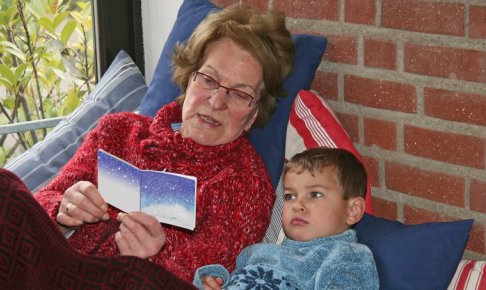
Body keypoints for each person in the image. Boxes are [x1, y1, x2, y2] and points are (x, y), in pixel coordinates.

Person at [33, 4, 294, 284]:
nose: (217, 102)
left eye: (240, 95)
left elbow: (204, 282)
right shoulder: (117, 131)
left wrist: (152, 261)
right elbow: (37, 207)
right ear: (188, 79)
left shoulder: (245, 187)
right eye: (208, 80)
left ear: (253, 115)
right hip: (43, 271)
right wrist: (63, 210)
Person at [193, 147, 380, 290]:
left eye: (314, 194)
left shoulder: (345, 256)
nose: (297, 205)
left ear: (352, 211)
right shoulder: (260, 252)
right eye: (290, 196)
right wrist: (214, 281)